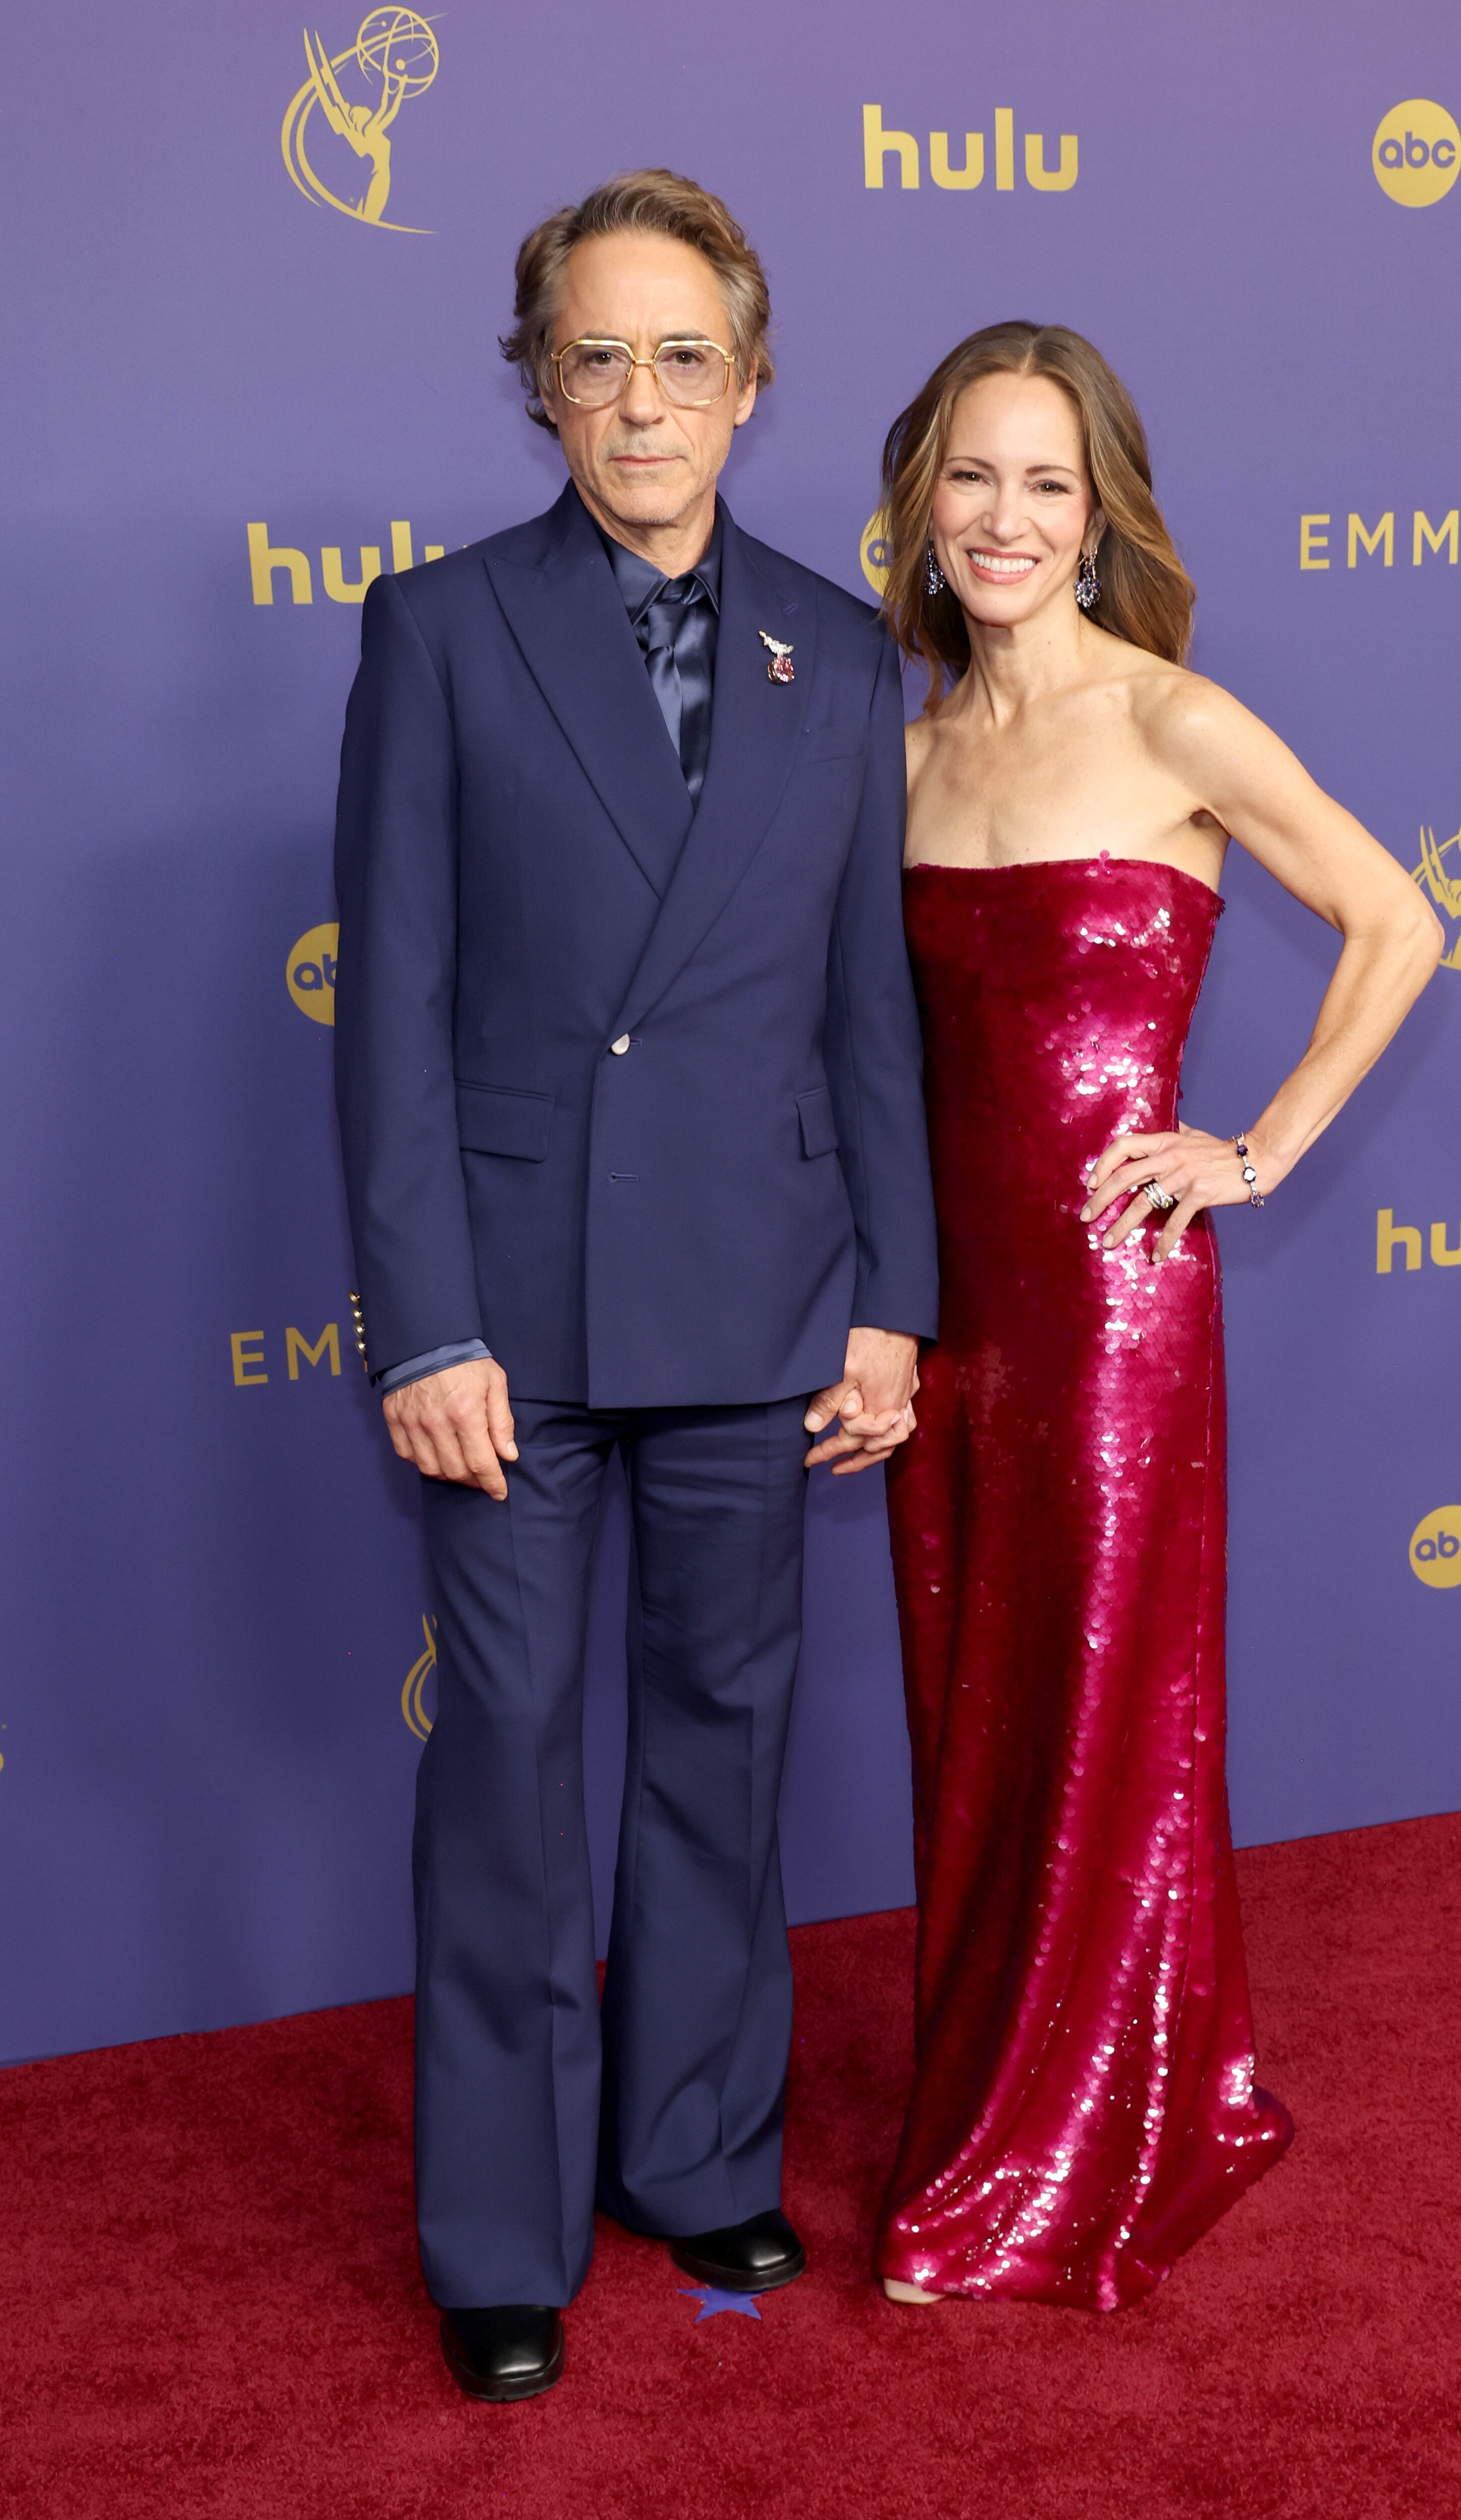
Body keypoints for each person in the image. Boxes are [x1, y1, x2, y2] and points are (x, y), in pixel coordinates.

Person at [333, 170, 938, 2399]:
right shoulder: (441, 627)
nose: (642, 396)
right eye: (596, 352)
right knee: (503, 1756)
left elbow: (867, 1016)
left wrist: (893, 1297)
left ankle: (690, 2150)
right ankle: (499, 2221)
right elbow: (387, 1012)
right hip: (513, 1316)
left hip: (764, 1298)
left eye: (685, 354)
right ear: (538, 386)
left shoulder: (843, 650)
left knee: (722, 1745)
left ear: (753, 387)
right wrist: (423, 1319)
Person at [872, 324, 1441, 2310]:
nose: (1008, 518)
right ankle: (996, 2099)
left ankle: (1067, 2145)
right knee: (979, 1713)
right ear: (921, 505)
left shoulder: (1177, 720)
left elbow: (1399, 916)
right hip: (948, 1325)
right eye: (973, 476)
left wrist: (1261, 1143)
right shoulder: (904, 754)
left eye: (1047, 481)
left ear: (1098, 509)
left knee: (1109, 1710)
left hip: (1115, 1314)